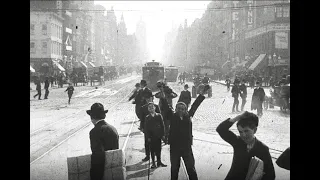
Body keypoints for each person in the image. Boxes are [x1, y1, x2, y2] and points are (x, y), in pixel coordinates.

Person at [164, 84, 209, 180]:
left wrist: (202, 94)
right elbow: (166, 107)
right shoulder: (172, 116)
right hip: (175, 147)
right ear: (175, 109)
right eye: (178, 108)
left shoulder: (188, 116)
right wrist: (164, 97)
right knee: (175, 169)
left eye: (183, 109)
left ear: (185, 110)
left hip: (186, 147)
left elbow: (195, 105)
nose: (180, 110)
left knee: (191, 168)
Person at [216, 111, 276, 180]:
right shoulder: (237, 142)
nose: (243, 135)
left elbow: (271, 175)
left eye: (246, 131)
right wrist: (238, 117)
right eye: (240, 132)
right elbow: (220, 129)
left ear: (255, 130)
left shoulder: (263, 149)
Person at [86, 103, 119, 180]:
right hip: (115, 170)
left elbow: (97, 156)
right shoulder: (112, 128)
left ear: (92, 117)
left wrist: (94, 177)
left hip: (102, 173)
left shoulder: (94, 132)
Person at [144, 102, 167, 168]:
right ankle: (153, 163)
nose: (151, 108)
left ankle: (159, 162)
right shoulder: (147, 117)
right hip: (151, 137)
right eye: (149, 107)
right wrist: (147, 137)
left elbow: (162, 125)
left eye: (152, 107)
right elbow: (146, 128)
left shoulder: (159, 115)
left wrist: (163, 134)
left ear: (155, 108)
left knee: (159, 149)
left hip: (158, 136)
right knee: (152, 150)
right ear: (148, 109)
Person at [139, 94, 161, 162]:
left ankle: (157, 158)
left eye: (150, 98)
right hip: (147, 129)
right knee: (147, 143)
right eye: (147, 99)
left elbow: (160, 117)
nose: (149, 100)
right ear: (146, 100)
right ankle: (147, 156)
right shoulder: (143, 108)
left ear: (152, 99)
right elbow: (142, 119)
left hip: (155, 129)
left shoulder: (156, 106)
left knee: (156, 143)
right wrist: (142, 127)